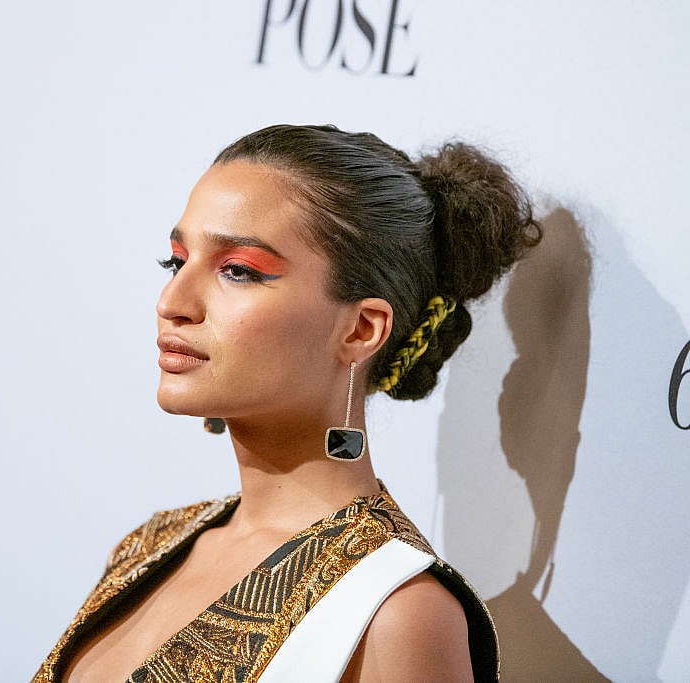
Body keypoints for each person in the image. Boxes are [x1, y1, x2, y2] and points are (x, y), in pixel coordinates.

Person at [32, 124, 541, 682]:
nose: (172, 301)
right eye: (176, 261)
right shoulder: (149, 545)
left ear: (361, 330)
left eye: (240, 271)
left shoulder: (393, 612)